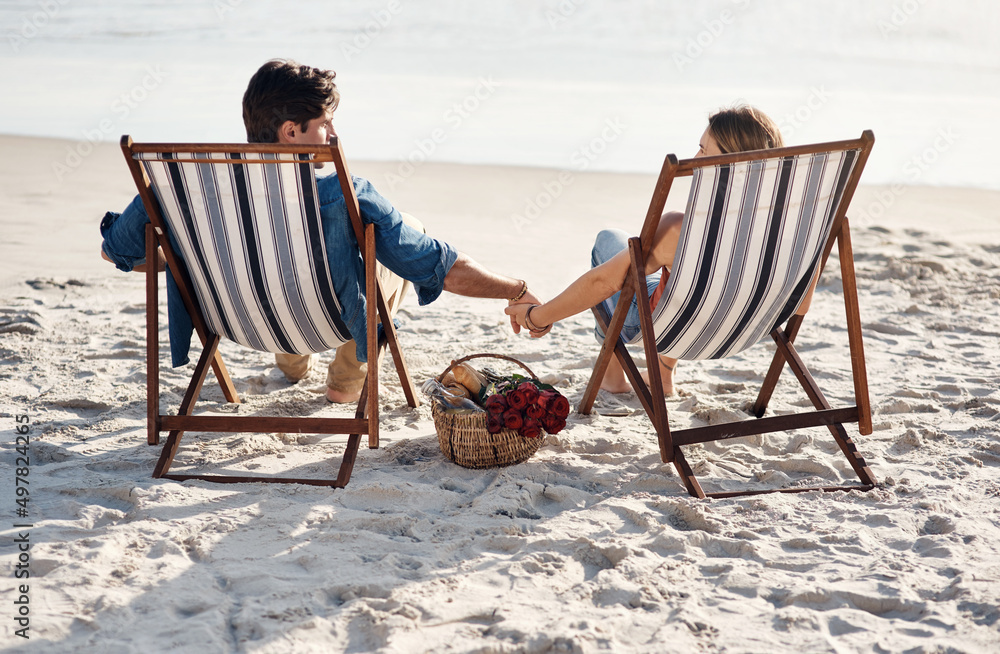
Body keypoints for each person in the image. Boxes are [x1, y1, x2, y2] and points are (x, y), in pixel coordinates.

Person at [101, 59, 545, 404]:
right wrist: (516, 290)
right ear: (291, 131)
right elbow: (439, 266)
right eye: (325, 123)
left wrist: (195, 261)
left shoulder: (177, 190)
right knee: (403, 235)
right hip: (322, 323)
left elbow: (115, 252)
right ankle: (345, 383)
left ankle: (292, 363)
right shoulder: (340, 194)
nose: (333, 132)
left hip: (241, 324)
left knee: (271, 253)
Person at [506, 105, 797, 397]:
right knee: (675, 276)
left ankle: (612, 379)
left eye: (703, 150)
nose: (694, 159)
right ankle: (663, 373)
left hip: (663, 329)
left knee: (609, 241)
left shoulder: (680, 230)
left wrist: (537, 317)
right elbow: (801, 305)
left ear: (732, 162)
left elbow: (603, 282)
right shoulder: (793, 230)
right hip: (741, 332)